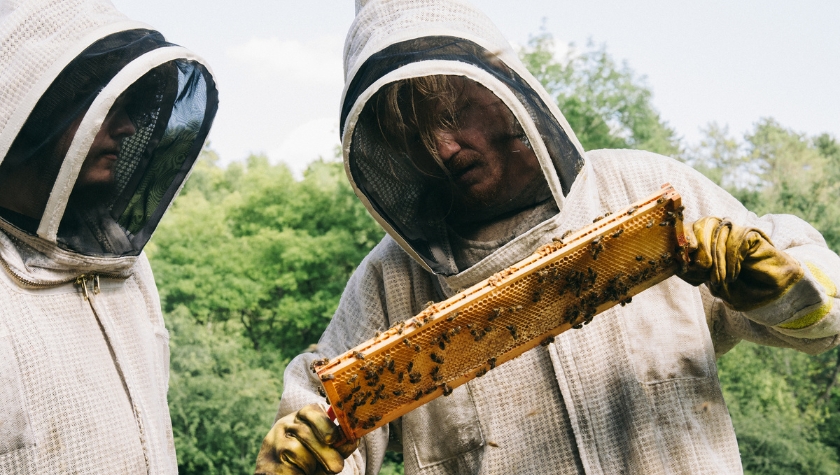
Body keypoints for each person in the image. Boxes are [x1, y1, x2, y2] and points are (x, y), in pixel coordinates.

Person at [255, 0, 840, 474]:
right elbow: (318, 411)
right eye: (414, 134)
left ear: (501, 87)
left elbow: (824, 323)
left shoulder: (640, 186)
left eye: (453, 112)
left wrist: (778, 280)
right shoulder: (389, 283)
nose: (441, 148)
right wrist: (302, 459)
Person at [0, 0, 218, 472]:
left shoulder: (123, 260)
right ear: (42, 111)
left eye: (131, 108)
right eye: (105, 105)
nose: (128, 128)